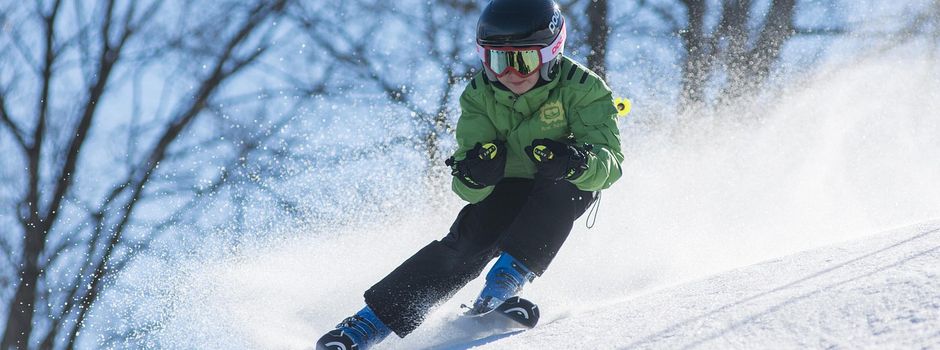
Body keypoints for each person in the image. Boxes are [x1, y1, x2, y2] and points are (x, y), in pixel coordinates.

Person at [315, 0, 623, 348]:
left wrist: (576, 162)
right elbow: (467, 187)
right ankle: (366, 325)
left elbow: (609, 162)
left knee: (561, 190)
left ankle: (502, 286)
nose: (510, 73)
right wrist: (476, 173)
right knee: (469, 241)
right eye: (496, 60)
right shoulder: (479, 95)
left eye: (523, 60)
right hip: (507, 184)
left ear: (552, 53)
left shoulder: (584, 88)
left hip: (562, 183)